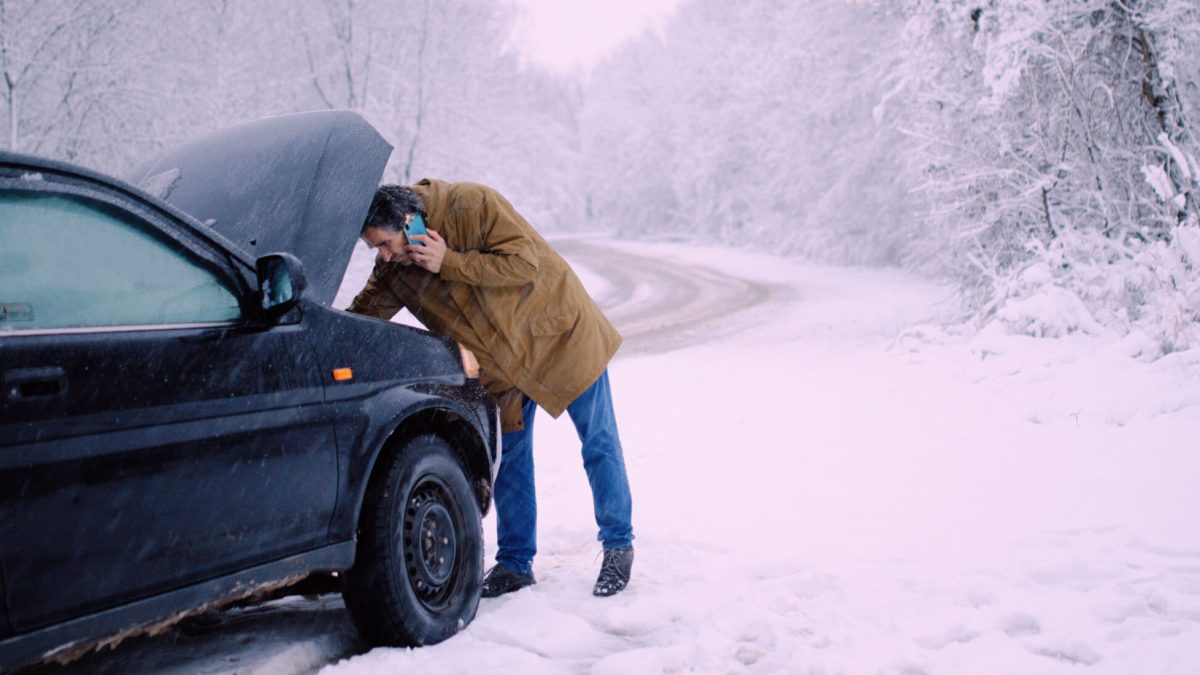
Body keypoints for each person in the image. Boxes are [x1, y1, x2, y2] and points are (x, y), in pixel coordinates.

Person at [346, 180, 635, 597]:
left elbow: (524, 263)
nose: (385, 256)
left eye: (385, 244)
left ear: (409, 223)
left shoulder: (471, 204)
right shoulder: (394, 271)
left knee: (598, 443)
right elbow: (361, 319)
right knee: (509, 463)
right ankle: (515, 565)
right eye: (376, 249)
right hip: (498, 369)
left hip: (557, 336)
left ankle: (618, 546)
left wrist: (449, 262)